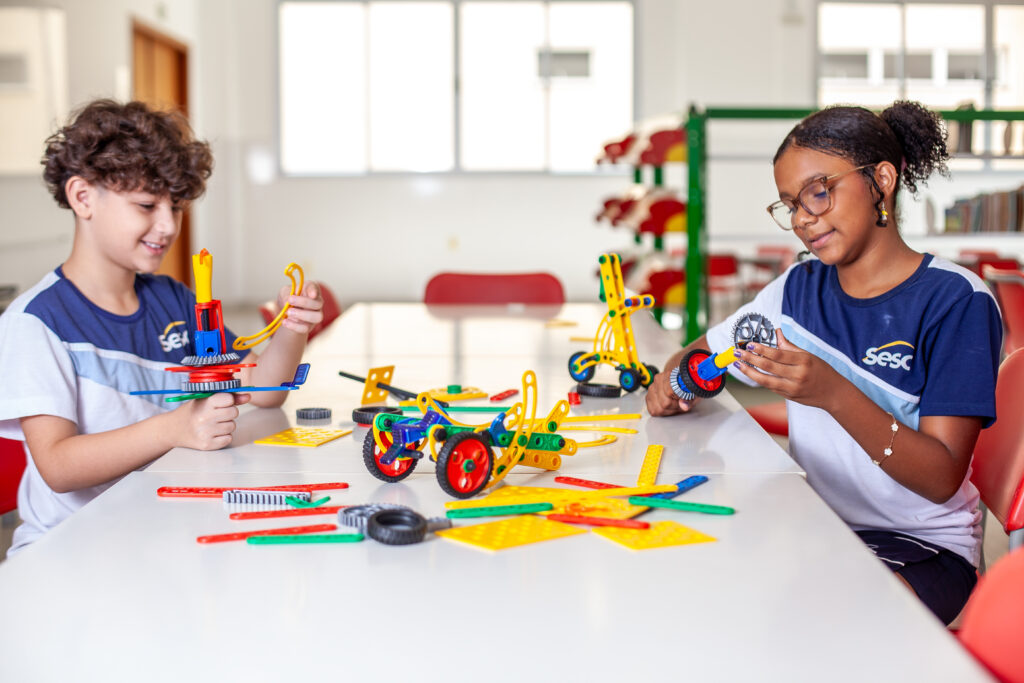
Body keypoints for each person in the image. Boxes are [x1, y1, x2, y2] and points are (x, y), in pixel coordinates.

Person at [646, 101, 1002, 625]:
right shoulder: (797, 290)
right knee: (699, 593)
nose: (801, 219)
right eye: (790, 204)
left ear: (882, 181)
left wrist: (833, 394)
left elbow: (941, 476)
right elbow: (699, 353)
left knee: (825, 631)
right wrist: (679, 381)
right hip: (819, 524)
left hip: (921, 545)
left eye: (818, 191)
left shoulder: (955, 301)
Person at [0, 100, 325, 556]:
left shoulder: (173, 300)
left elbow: (266, 390)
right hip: (69, 550)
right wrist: (176, 428)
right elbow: (58, 466)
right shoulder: (36, 321)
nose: (168, 225)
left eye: (176, 206)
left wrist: (292, 327)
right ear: (82, 197)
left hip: (156, 531)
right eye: (147, 205)